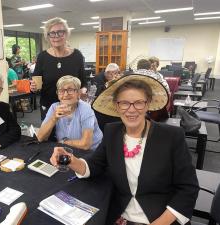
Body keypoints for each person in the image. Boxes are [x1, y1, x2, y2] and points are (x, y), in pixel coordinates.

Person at [50, 74, 199, 225]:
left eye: (139, 103)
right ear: (116, 105)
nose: (131, 110)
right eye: (124, 103)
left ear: (148, 105)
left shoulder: (171, 136)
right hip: (120, 216)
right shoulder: (112, 131)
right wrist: (69, 159)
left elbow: (188, 188)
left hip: (161, 218)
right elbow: (94, 165)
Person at [31, 17, 87, 120]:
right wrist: (33, 87)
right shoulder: (42, 57)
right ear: (48, 36)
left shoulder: (77, 55)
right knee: (50, 135)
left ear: (66, 34)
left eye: (60, 32)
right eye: (52, 33)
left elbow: (83, 82)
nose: (56, 36)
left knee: (72, 135)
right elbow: (36, 84)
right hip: (48, 107)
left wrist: (83, 91)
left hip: (71, 107)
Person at [37, 75, 102, 151]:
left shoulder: (85, 109)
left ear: (78, 93)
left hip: (91, 152)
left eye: (70, 90)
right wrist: (54, 118)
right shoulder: (54, 107)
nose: (65, 94)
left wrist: (63, 142)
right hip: (67, 150)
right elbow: (40, 137)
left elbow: (85, 144)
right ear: (58, 94)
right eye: (61, 90)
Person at [92, 63, 122, 132]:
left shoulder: (111, 78)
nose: (117, 75)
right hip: (101, 111)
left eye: (118, 73)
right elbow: (97, 95)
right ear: (109, 73)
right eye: (117, 73)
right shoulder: (98, 79)